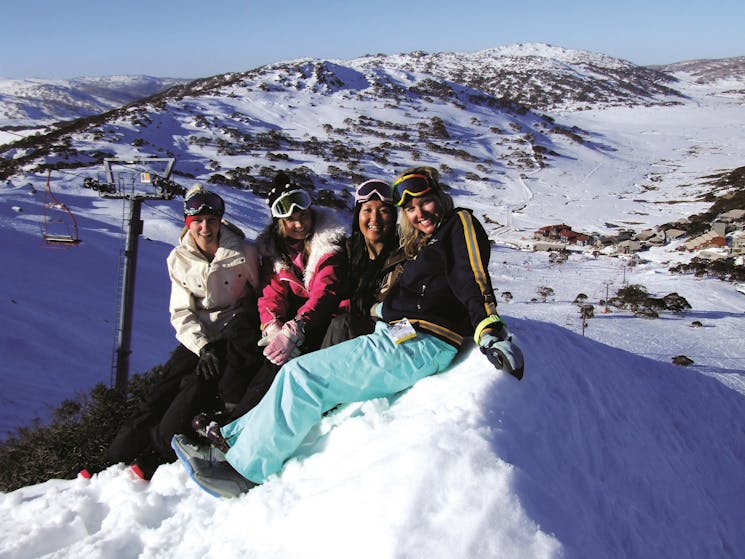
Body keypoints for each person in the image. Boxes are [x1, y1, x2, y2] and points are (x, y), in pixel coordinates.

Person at [172, 166, 525, 498]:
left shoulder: (458, 223)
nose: (420, 213)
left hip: (424, 342)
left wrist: (489, 328)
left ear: (441, 197)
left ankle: (245, 470)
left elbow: (471, 279)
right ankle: (231, 441)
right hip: (400, 333)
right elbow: (423, 296)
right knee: (293, 372)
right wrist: (380, 310)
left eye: (425, 202)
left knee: (302, 376)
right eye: (412, 209)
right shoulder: (425, 243)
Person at [106, 185, 262, 480]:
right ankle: (117, 455)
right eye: (198, 222)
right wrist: (202, 346)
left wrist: (242, 330)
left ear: (220, 221)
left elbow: (259, 294)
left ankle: (157, 451)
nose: (206, 228)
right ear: (188, 224)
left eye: (211, 221)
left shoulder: (243, 251)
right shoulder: (179, 259)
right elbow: (182, 312)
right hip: (199, 336)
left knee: (196, 387)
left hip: (234, 331)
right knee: (163, 389)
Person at [201, 171, 348, 428]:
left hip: (328, 319)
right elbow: (271, 292)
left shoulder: (328, 243)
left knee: (280, 362)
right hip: (302, 319)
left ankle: (238, 426)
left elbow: (326, 293)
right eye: (291, 219)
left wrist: (296, 328)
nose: (299, 224)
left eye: (303, 216)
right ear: (280, 222)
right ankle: (234, 410)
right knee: (258, 346)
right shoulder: (275, 251)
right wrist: (272, 325)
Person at [321, 178, 403, 347]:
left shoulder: (407, 255)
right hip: (352, 336)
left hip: (393, 336)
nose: (375, 219)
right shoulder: (345, 252)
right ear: (358, 215)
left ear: (393, 216)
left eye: (383, 211)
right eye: (367, 210)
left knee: (341, 325)